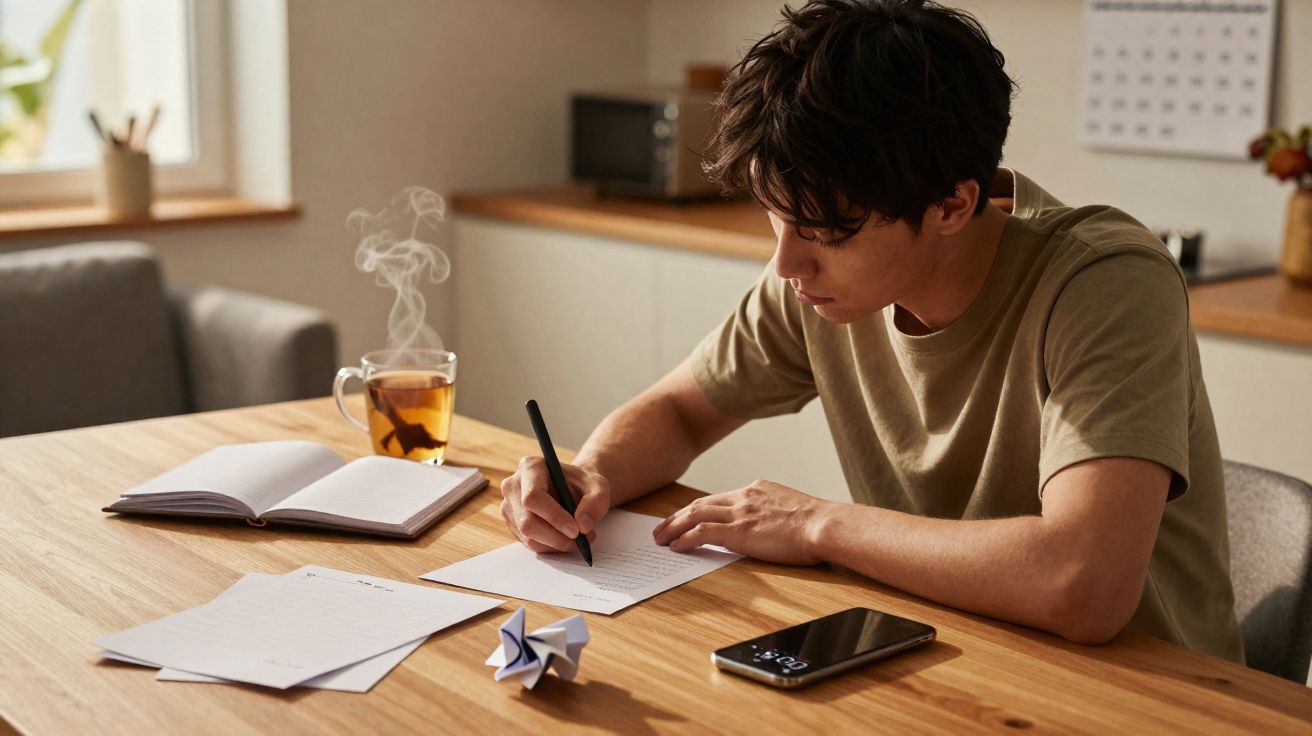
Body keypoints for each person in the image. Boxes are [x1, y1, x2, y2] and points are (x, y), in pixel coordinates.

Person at [499, 0, 1243, 662]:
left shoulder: (1106, 283)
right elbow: (680, 410)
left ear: (953, 205)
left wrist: (820, 525)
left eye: (823, 231)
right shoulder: (816, 280)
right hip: (948, 655)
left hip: (1145, 692)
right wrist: (592, 475)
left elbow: (1083, 584)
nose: (787, 262)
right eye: (777, 218)